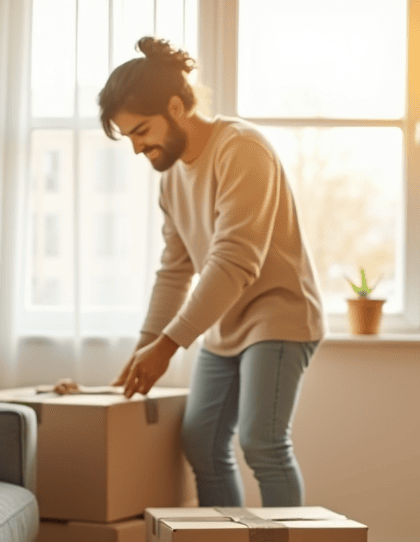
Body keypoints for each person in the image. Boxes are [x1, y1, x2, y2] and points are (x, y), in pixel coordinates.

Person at [98, 37, 326, 508]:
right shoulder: (172, 179)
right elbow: (175, 270)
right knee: (201, 444)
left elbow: (235, 260)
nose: (139, 148)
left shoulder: (241, 149)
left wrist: (167, 346)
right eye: (130, 138)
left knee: (262, 444)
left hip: (279, 315)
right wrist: (147, 342)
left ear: (176, 107)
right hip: (224, 322)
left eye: (142, 131)